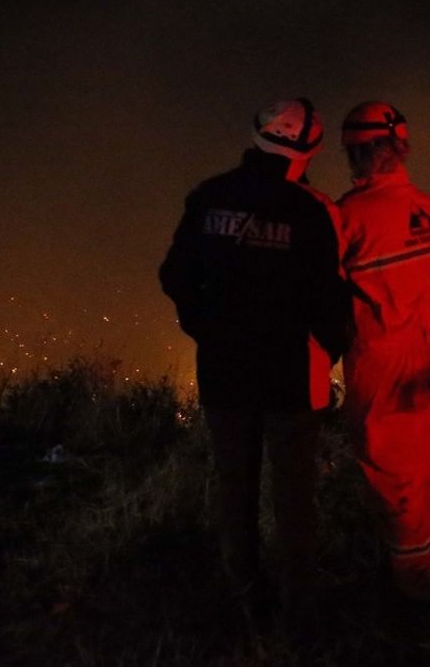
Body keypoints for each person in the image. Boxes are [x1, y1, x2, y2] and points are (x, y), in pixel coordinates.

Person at [159, 98, 347, 625]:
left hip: (223, 371)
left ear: (256, 135)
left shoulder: (209, 198)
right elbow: (330, 300)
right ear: (309, 150)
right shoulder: (311, 211)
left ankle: (243, 594)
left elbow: (174, 276)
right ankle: (300, 612)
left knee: (233, 484)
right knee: (293, 496)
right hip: (291, 377)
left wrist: (206, 330)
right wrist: (327, 352)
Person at [337, 100, 430, 601]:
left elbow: (326, 292)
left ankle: (416, 603)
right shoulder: (428, 208)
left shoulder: (350, 215)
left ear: (361, 153)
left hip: (385, 364)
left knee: (397, 484)